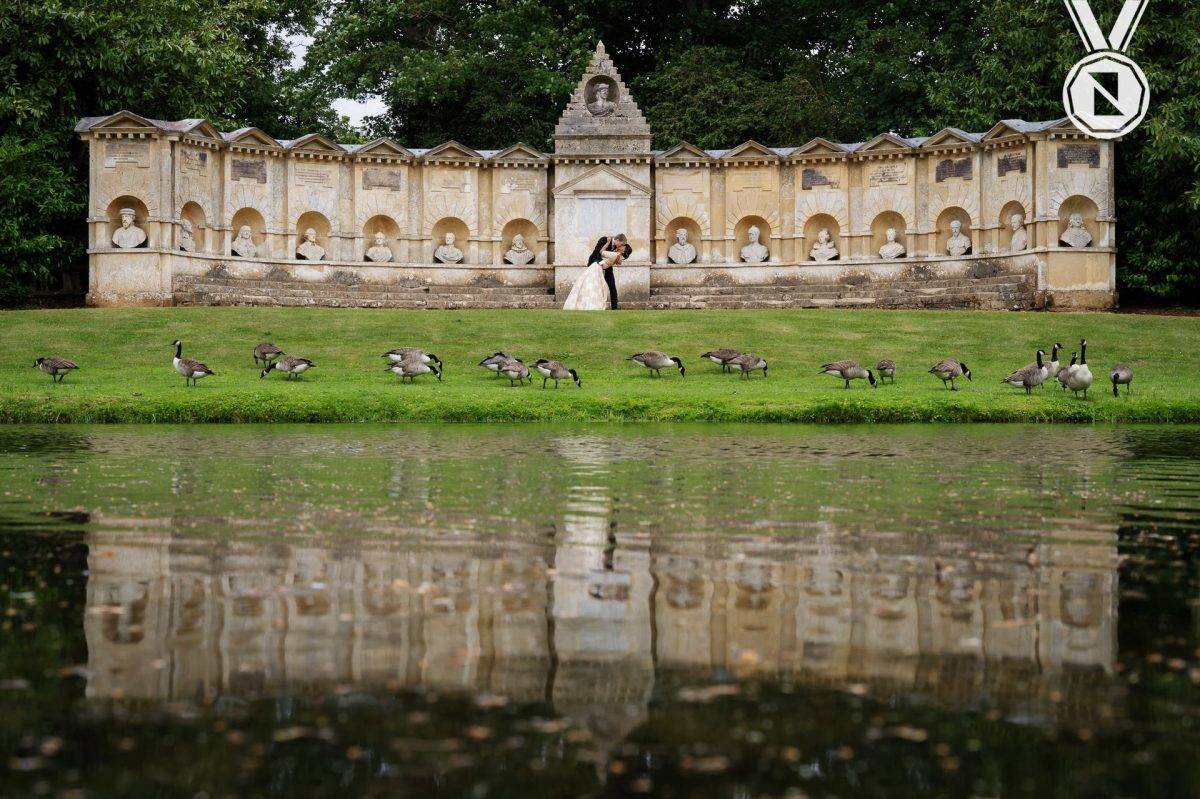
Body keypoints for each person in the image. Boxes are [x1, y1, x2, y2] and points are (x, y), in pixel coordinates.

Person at [563, 233, 631, 310]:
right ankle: (588, 304)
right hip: (596, 264)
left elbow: (616, 260)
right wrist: (602, 264)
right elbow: (596, 253)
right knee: (592, 286)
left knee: (612, 285)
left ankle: (614, 308)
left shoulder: (617, 248)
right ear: (618, 240)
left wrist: (619, 256)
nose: (622, 246)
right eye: (622, 244)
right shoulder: (604, 240)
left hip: (608, 268)